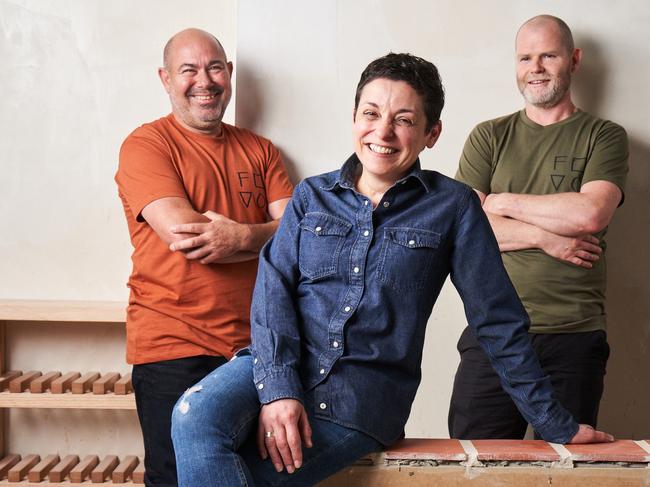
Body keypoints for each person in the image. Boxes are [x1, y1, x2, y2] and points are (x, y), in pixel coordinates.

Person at [171, 52, 612, 487]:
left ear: (431, 133)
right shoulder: (310, 197)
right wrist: (279, 390)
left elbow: (497, 320)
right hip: (274, 364)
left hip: (360, 397)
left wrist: (555, 423)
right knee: (192, 417)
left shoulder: (453, 207)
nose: (382, 131)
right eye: (371, 113)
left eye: (403, 119)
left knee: (249, 472)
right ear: (354, 117)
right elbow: (274, 291)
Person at [114, 28, 293, 486]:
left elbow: (300, 240)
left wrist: (240, 236)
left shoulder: (261, 150)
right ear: (166, 78)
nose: (204, 81)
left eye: (215, 67)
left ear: (229, 74)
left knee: (254, 476)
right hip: (173, 345)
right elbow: (187, 237)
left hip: (254, 351)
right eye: (188, 70)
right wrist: (260, 237)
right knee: (178, 480)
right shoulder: (147, 145)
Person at [449, 15, 628, 440]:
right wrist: (545, 237)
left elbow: (590, 215)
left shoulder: (603, 136)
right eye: (525, 57)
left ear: (574, 60)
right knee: (472, 464)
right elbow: (462, 230)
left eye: (548, 54)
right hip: (492, 331)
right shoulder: (489, 137)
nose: (537, 67)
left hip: (574, 333)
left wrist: (502, 202)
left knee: (569, 467)